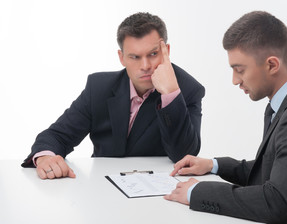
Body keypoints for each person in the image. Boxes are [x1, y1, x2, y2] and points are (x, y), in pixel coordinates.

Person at [164, 11, 287, 224]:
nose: (235, 80)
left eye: (240, 70)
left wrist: (197, 192)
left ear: (272, 64)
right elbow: (272, 169)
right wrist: (213, 165)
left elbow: (277, 203)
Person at [21, 12, 205, 180]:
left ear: (167, 51)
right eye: (135, 57)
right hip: (102, 186)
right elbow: (58, 135)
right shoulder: (99, 88)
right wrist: (46, 157)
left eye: (153, 54)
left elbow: (184, 155)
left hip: (159, 192)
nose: (146, 65)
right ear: (121, 57)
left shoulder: (188, 89)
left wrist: (171, 94)